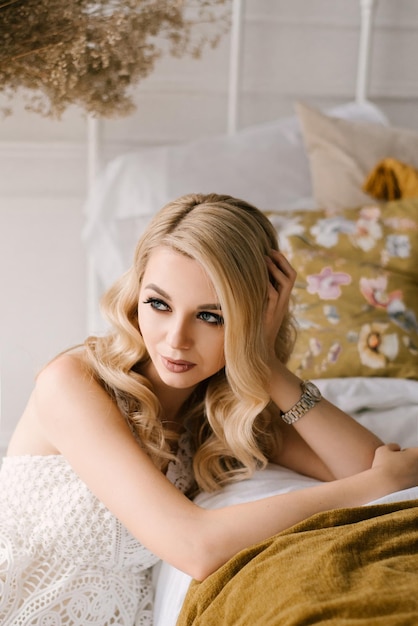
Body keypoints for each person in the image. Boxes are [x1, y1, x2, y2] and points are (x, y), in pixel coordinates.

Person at [1, 192, 418, 625]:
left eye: (211, 316)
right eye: (159, 304)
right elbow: (194, 547)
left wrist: (265, 364)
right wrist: (365, 489)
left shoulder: (221, 412)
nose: (176, 339)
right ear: (135, 294)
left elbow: (379, 471)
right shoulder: (72, 384)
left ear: (252, 316)